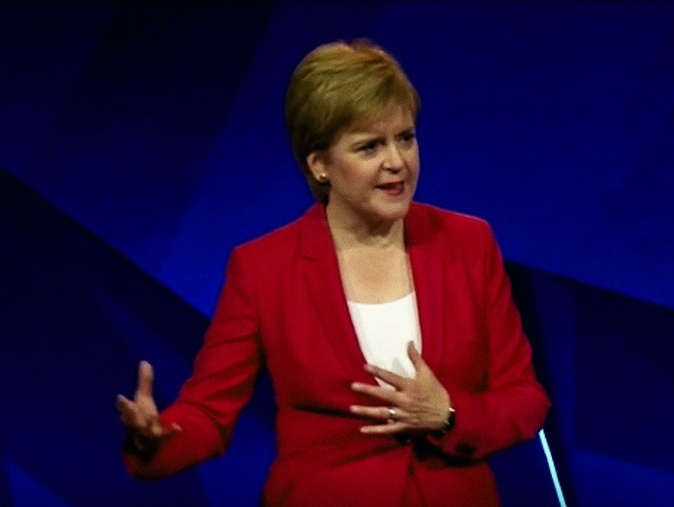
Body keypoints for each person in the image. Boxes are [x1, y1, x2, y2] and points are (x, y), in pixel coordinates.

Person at [116, 39, 550, 506]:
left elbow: (525, 399)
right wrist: (157, 438)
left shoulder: (468, 244)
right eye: (369, 146)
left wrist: (446, 413)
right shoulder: (264, 269)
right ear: (320, 165)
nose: (396, 162)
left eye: (405, 137)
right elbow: (209, 411)